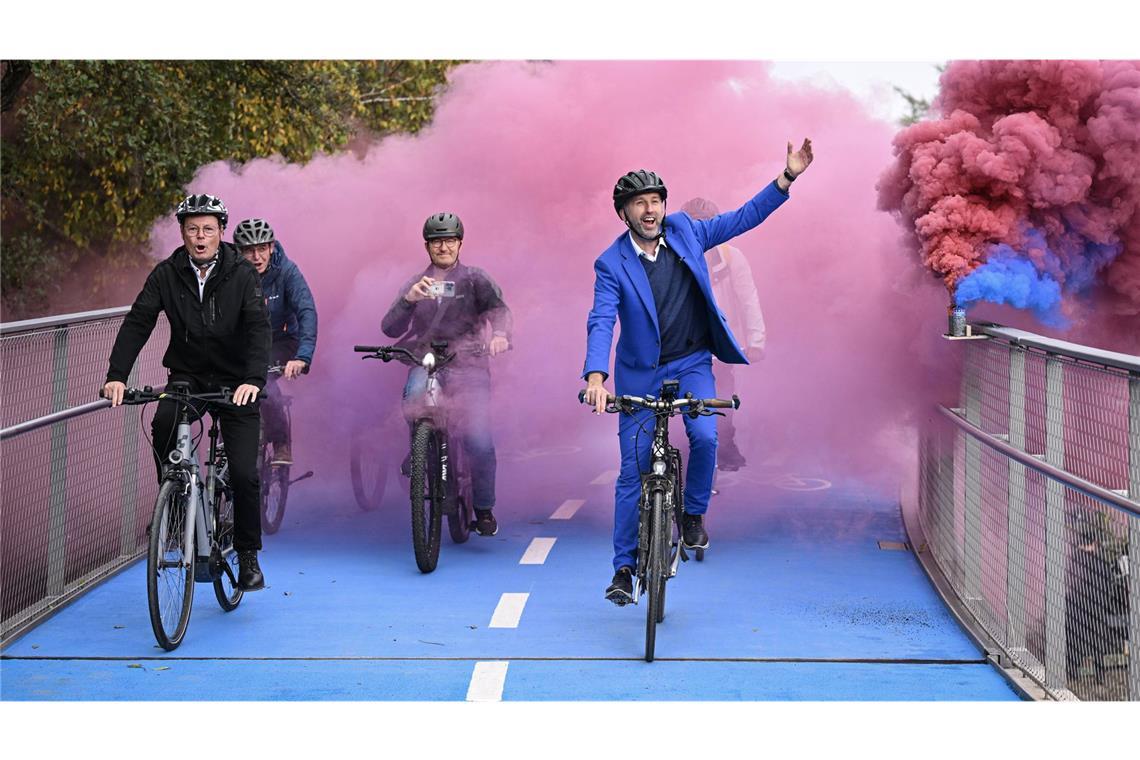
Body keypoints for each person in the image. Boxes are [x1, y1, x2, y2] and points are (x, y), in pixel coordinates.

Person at [583, 140, 814, 605]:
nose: (650, 211)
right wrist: (595, 378)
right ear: (623, 214)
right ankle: (624, 570)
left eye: (655, 201)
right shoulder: (611, 263)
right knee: (634, 472)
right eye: (638, 204)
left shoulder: (687, 230)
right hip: (637, 375)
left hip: (691, 362)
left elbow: (744, 217)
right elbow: (602, 318)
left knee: (706, 437)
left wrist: (786, 177)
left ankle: (692, 516)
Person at [102, 193, 271, 591]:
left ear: (221, 233)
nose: (200, 236)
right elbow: (139, 321)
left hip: (236, 383)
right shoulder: (166, 273)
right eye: (192, 229)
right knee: (162, 424)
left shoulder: (242, 274)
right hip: (188, 377)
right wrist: (117, 374)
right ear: (182, 232)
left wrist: (253, 379)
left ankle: (248, 554)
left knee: (245, 474)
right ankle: (176, 501)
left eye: (208, 229)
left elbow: (259, 329)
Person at [381, 212, 512, 536]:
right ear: (427, 246)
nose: (443, 246)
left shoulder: (475, 279)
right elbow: (389, 328)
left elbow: (500, 312)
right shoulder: (416, 284)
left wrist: (499, 335)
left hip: (469, 363)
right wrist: (409, 300)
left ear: (460, 243)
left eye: (449, 240)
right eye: (437, 241)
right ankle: (421, 448)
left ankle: (483, 507)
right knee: (413, 398)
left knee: (478, 440)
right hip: (426, 359)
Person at [681, 197, 767, 471]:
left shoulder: (732, 258)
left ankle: (726, 444)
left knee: (723, 392)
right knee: (682, 394)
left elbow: (748, 299)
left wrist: (756, 341)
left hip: (720, 340)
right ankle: (684, 442)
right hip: (685, 340)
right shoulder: (673, 254)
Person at [232, 218, 318, 466]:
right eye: (249, 250)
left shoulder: (287, 271)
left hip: (280, 341)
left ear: (271, 247)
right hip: (245, 342)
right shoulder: (231, 273)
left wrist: (302, 356)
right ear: (239, 252)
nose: (256, 256)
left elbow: (307, 312)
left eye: (262, 248)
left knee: (264, 382)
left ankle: (281, 442)